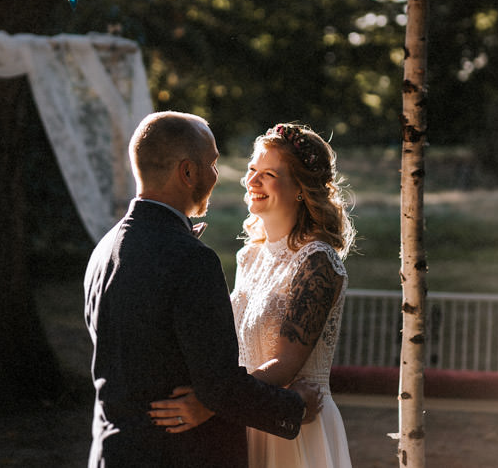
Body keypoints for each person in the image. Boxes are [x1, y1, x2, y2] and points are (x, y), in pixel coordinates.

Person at [84, 111, 321, 468]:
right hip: (179, 456)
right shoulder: (191, 260)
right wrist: (296, 406)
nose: (216, 175)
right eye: (212, 163)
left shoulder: (104, 249)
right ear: (188, 171)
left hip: (112, 453)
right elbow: (219, 386)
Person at [150, 122, 356, 467]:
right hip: (245, 415)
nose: (253, 181)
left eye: (269, 174)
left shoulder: (317, 261)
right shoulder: (249, 256)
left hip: (294, 424)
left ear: (301, 188)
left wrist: (209, 402)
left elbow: (285, 365)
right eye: (252, 170)